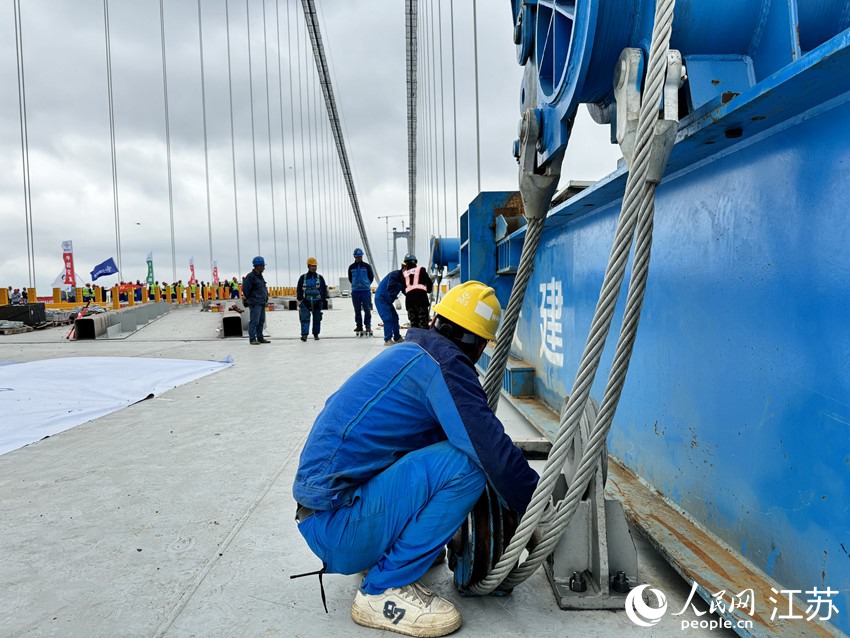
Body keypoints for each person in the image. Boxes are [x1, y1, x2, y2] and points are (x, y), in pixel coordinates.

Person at [292, 281, 539, 637]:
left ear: (437, 319)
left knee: (446, 440)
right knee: (468, 464)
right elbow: (492, 454)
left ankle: (386, 551)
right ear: (483, 344)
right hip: (339, 527)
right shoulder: (447, 366)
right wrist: (540, 509)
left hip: (324, 517)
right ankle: (382, 590)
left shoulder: (410, 353)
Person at [296, 257, 328, 341]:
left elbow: (324, 290)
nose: (314, 268)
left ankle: (316, 334)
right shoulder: (303, 278)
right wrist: (300, 299)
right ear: (308, 266)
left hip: (317, 302)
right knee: (305, 319)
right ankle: (304, 335)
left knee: (317, 319)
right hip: (305, 302)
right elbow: (299, 289)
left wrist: (322, 301)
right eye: (312, 266)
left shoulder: (319, 278)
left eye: (315, 266)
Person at [374, 267, 406, 346]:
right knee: (387, 318)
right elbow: (391, 287)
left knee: (395, 317)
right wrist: (395, 298)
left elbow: (405, 291)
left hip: (388, 300)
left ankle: (397, 337)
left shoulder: (404, 279)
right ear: (403, 268)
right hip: (381, 298)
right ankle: (387, 339)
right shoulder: (395, 275)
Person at [242, 256, 270, 345]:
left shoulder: (260, 277)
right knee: (254, 321)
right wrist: (251, 300)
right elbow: (246, 290)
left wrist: (265, 299)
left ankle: (260, 337)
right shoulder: (250, 277)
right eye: (262, 266)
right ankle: (252, 339)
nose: (264, 268)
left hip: (261, 302)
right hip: (255, 303)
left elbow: (263, 289)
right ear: (257, 266)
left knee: (261, 321)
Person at [401, 254, 433, 329]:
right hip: (421, 300)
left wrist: (409, 294)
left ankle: (415, 339)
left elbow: (403, 288)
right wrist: (428, 290)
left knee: (414, 324)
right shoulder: (421, 269)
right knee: (423, 323)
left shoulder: (404, 274)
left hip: (410, 301)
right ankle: (424, 339)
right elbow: (429, 283)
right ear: (415, 262)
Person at [348, 248, 374, 336]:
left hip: (365, 291)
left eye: (359, 256)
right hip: (355, 291)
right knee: (357, 310)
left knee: (367, 309)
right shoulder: (351, 267)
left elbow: (371, 277)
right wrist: (356, 285)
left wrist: (366, 284)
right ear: (354, 257)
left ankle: (368, 325)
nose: (358, 258)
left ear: (362, 256)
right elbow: (350, 278)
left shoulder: (367, 266)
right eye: (357, 257)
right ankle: (359, 325)